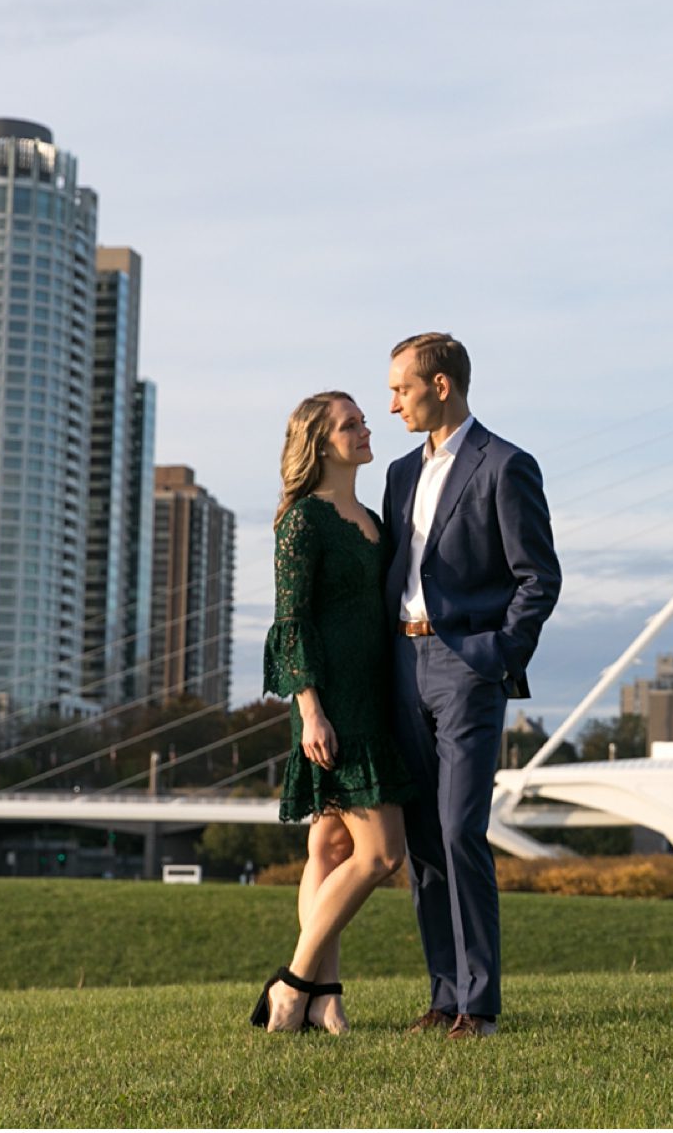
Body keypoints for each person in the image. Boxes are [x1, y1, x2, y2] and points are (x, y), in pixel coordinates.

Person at [384, 332, 561, 1039]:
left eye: (403, 387)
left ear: (442, 385)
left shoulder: (505, 464)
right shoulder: (399, 472)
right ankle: (443, 993)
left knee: (461, 829)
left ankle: (479, 1005)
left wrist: (494, 654)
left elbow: (538, 578)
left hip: (466, 668)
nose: (392, 401)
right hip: (402, 665)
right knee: (424, 838)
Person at [252, 391, 416, 1034]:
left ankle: (326, 997)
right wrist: (311, 710)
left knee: (330, 842)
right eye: (350, 425)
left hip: (376, 695)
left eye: (363, 420)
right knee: (381, 854)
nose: (365, 429)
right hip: (332, 703)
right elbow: (290, 622)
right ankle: (293, 987)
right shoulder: (303, 522)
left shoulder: (373, 516)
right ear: (321, 444)